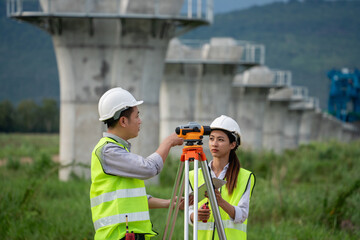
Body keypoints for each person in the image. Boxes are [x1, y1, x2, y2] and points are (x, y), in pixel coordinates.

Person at [90, 87, 184, 240]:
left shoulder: (118, 150)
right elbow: (149, 169)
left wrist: (168, 203)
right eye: (137, 116)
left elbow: (132, 198)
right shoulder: (108, 150)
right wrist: (168, 142)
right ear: (123, 121)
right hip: (118, 236)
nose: (140, 121)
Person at [188, 115, 256, 240]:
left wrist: (220, 202)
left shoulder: (245, 177)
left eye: (220, 140)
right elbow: (189, 211)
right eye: (212, 139)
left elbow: (242, 215)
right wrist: (195, 215)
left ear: (232, 144)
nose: (214, 144)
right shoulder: (193, 175)